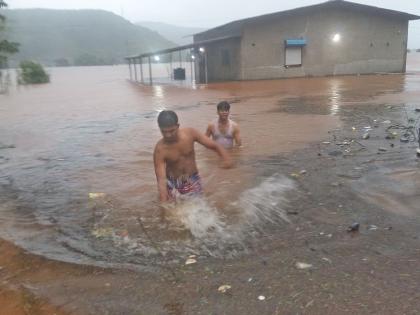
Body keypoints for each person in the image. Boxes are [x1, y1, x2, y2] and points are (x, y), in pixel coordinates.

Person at [154, 110, 232, 202]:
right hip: (173, 183)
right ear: (159, 128)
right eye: (164, 132)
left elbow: (214, 145)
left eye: (172, 131)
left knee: (199, 206)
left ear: (178, 126)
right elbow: (161, 180)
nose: (168, 135)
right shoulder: (160, 150)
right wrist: (163, 202)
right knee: (173, 211)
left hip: (192, 179)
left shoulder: (190, 134)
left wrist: (226, 159)